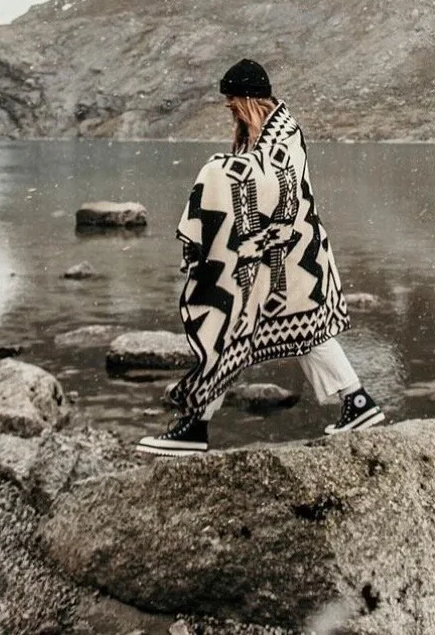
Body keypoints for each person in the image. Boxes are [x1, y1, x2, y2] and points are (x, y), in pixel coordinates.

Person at [137, 58, 384, 455]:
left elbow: (274, 187)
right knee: (301, 333)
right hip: (286, 260)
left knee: (237, 334)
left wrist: (218, 171)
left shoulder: (283, 135)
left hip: (291, 260)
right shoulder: (268, 136)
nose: (229, 108)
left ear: (251, 99)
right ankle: (357, 402)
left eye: (233, 101)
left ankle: (196, 428)